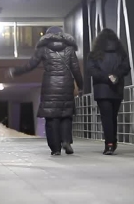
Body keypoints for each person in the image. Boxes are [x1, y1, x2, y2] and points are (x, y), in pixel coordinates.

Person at [8, 26, 84, 156]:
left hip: (50, 85)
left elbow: (31, 65)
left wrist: (16, 71)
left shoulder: (43, 48)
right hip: (66, 84)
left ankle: (55, 148)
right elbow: (76, 69)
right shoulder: (69, 49)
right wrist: (81, 86)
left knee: (51, 117)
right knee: (66, 115)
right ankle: (66, 141)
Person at [87, 28, 130, 155]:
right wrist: (115, 76)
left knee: (106, 117)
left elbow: (91, 70)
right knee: (113, 117)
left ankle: (109, 144)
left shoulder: (94, 54)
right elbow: (126, 67)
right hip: (116, 89)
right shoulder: (121, 52)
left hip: (101, 90)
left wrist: (106, 77)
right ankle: (113, 142)